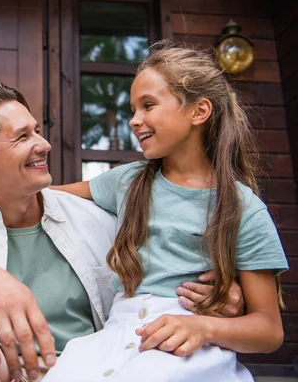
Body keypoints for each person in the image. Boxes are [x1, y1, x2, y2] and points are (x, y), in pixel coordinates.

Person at [0, 82, 245, 382]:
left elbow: (166, 261)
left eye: (37, 131)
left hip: (99, 371)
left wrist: (222, 295)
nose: (43, 145)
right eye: (22, 137)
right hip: (7, 375)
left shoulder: (92, 215)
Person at [39, 40, 289, 381]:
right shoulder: (127, 181)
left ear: (199, 112)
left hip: (189, 342)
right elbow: (43, 196)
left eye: (148, 106)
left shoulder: (242, 207)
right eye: (133, 109)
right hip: (116, 335)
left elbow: (269, 329)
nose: (134, 120)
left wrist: (203, 328)